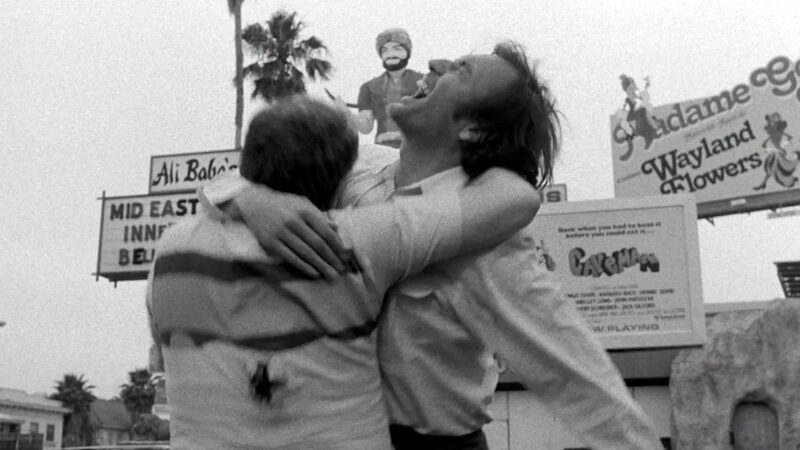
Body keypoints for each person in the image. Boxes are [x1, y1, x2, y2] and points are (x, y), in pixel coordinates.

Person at [204, 41, 662, 449]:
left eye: (461, 70)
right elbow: (222, 184)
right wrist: (254, 199)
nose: (437, 62)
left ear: (474, 131)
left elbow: (580, 379)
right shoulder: (361, 168)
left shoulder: (488, 239)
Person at [148, 96, 540, 449]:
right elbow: (518, 198)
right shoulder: (359, 241)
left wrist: (246, 196)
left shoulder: (170, 252)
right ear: (341, 185)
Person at [342, 28, 423, 149]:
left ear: (407, 51)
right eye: (385, 50)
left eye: (397, 49)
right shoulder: (368, 87)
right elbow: (366, 127)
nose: (390, 54)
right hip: (384, 148)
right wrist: (346, 113)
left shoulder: (423, 82)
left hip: (417, 146)